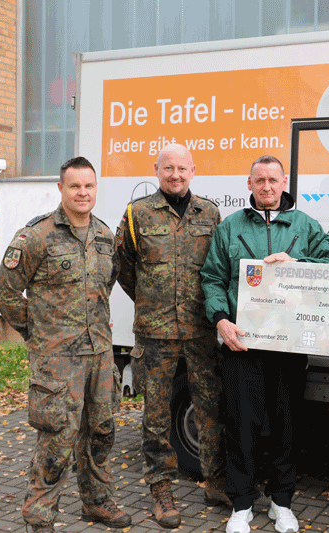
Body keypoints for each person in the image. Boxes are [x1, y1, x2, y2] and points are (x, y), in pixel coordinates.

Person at [201, 155, 329, 533]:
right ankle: (242, 504)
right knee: (241, 425)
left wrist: (296, 262)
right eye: (259, 180)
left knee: (286, 425)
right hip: (242, 344)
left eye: (273, 180)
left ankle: (282, 501)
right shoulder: (230, 227)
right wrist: (221, 319)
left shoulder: (305, 225)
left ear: (284, 183)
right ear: (249, 184)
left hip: (289, 344)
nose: (266, 187)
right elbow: (212, 278)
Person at [0, 157, 130, 533]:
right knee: (57, 438)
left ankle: (97, 501)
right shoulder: (35, 236)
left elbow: (105, 286)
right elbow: (5, 293)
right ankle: (39, 516)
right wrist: (38, 333)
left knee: (101, 432)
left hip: (99, 354)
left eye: (89, 186)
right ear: (61, 188)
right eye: (75, 186)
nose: (82, 193)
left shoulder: (105, 236)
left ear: (95, 188)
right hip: (57, 361)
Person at [115, 143, 225, 529]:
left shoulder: (210, 213)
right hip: (155, 332)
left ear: (193, 170)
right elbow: (124, 267)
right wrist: (151, 299)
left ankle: (216, 482)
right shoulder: (137, 214)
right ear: (156, 170)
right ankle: (161, 491)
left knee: (210, 409)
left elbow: (218, 267)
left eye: (182, 168)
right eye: (168, 168)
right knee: (157, 416)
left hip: (200, 331)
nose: (175, 175)